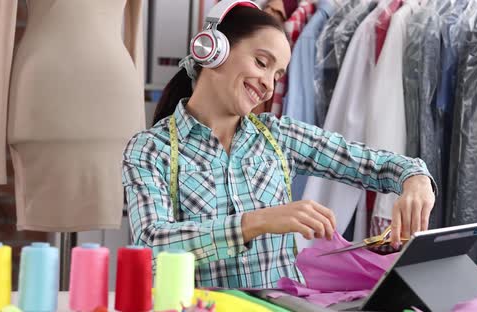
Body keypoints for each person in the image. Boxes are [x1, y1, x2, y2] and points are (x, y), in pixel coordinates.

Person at [122, 0, 435, 288]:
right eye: (261, 62)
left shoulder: (279, 136)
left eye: (277, 74)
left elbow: (373, 164)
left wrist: (415, 178)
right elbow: (151, 246)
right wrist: (255, 222)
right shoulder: (152, 149)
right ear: (213, 50)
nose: (269, 86)